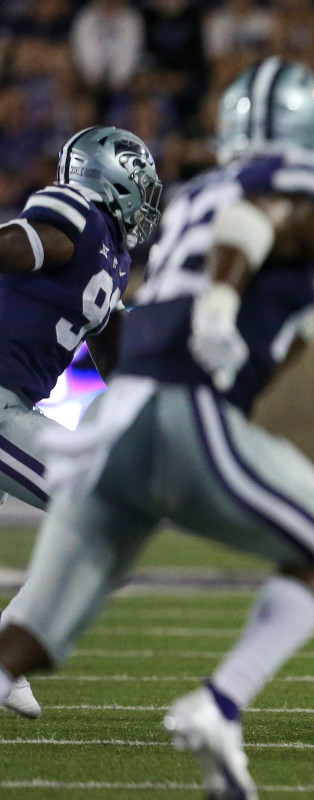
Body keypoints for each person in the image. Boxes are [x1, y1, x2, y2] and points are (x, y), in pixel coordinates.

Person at [0, 57, 314, 800]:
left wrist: (308, 316)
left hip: (133, 407)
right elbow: (250, 223)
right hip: (153, 404)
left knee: (60, 595)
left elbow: (120, 347)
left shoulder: (171, 219)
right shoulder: (83, 211)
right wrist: (219, 311)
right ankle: (219, 704)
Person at [0, 125, 162, 720]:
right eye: (140, 183)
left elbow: (118, 351)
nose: (147, 199)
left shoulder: (114, 257)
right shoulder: (77, 209)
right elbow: (21, 242)